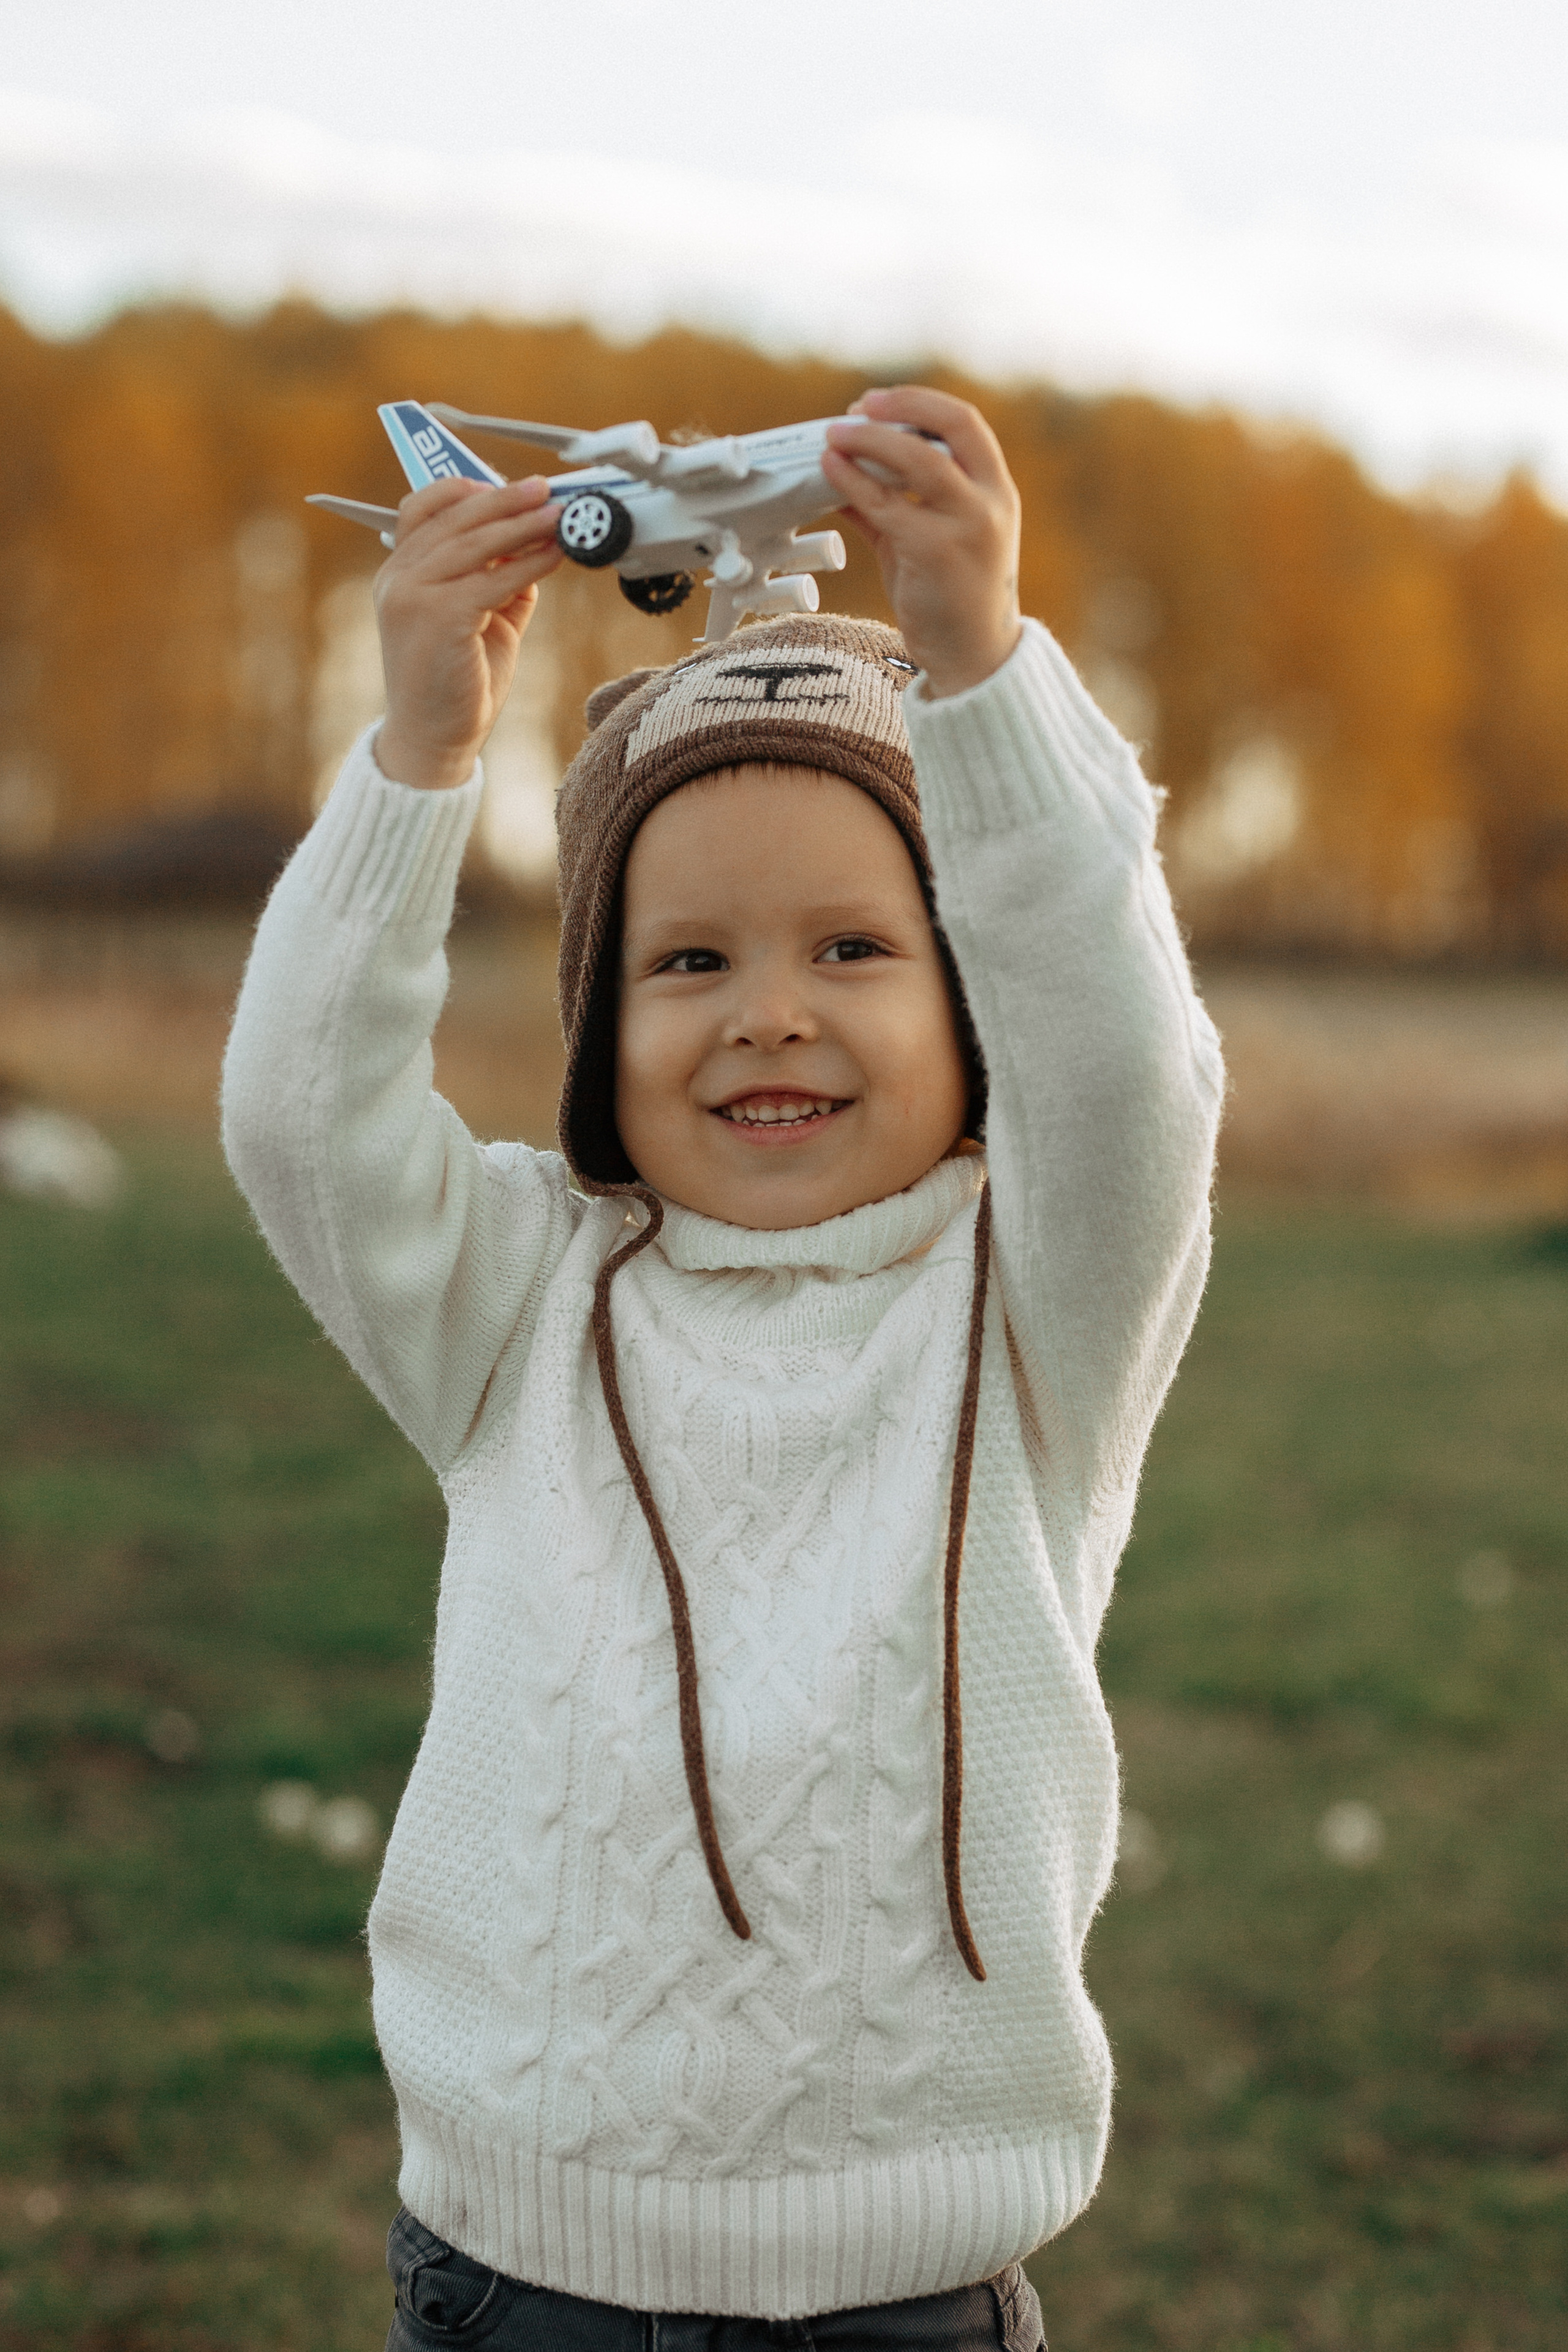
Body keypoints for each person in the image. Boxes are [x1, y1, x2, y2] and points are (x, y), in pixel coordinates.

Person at [222, 386, 1224, 2351]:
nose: (771, 1016)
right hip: (525, 2277)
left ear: (975, 995)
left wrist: (984, 670)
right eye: (689, 963)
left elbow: (1126, 1062)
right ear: (599, 1019)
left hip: (902, 2294)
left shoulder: (1038, 1303)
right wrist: (425, 751)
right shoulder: (518, 1298)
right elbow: (299, 1116)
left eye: (856, 949)